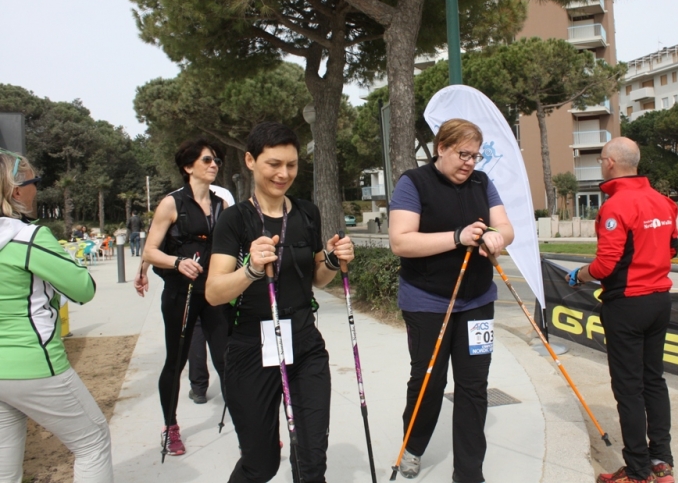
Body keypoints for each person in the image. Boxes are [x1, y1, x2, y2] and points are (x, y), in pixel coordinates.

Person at [205, 121, 354, 483]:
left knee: (311, 461)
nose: (283, 173)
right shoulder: (234, 219)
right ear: (251, 161)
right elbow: (214, 292)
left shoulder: (306, 213)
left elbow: (317, 276)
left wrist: (334, 260)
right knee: (261, 464)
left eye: (291, 164)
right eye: (274, 164)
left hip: (304, 343)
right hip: (250, 348)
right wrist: (252, 269)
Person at [388, 118, 514, 483]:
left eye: (475, 156)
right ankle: (413, 446)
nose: (469, 163)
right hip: (428, 301)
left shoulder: (482, 183)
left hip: (477, 302)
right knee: (429, 381)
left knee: (474, 386)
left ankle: (469, 473)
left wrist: (495, 237)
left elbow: (506, 227)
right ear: (441, 148)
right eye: (463, 154)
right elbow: (401, 241)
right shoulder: (414, 183)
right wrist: (458, 237)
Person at [566, 137, 678, 483]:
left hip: (627, 304)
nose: (601, 165)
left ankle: (637, 471)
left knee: (628, 389)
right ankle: (662, 460)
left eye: (601, 159)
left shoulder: (616, 205)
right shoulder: (663, 202)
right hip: (659, 300)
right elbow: (672, 249)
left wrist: (579, 276)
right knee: (653, 381)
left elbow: (605, 265)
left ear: (610, 163)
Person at [0, 150, 113, 482]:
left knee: (5, 464)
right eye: (34, 181)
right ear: (16, 191)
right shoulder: (29, 238)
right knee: (92, 442)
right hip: (34, 363)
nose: (38, 188)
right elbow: (83, 289)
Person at [134, 138, 229, 456]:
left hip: (214, 292)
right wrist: (176, 262)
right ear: (188, 167)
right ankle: (170, 427)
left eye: (216, 160)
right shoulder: (171, 204)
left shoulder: (220, 205)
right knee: (175, 362)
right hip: (181, 294)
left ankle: (250, 425)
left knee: (228, 360)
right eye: (206, 160)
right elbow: (150, 249)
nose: (214, 164)